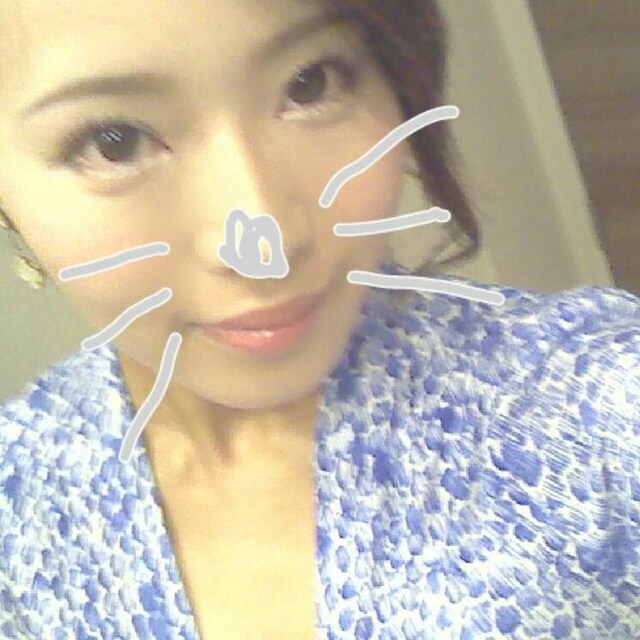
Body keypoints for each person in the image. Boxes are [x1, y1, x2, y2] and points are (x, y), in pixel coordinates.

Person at [0, 0, 638, 638]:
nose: (267, 242)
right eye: (115, 142)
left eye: (311, 83)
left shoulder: (590, 408)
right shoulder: (17, 498)